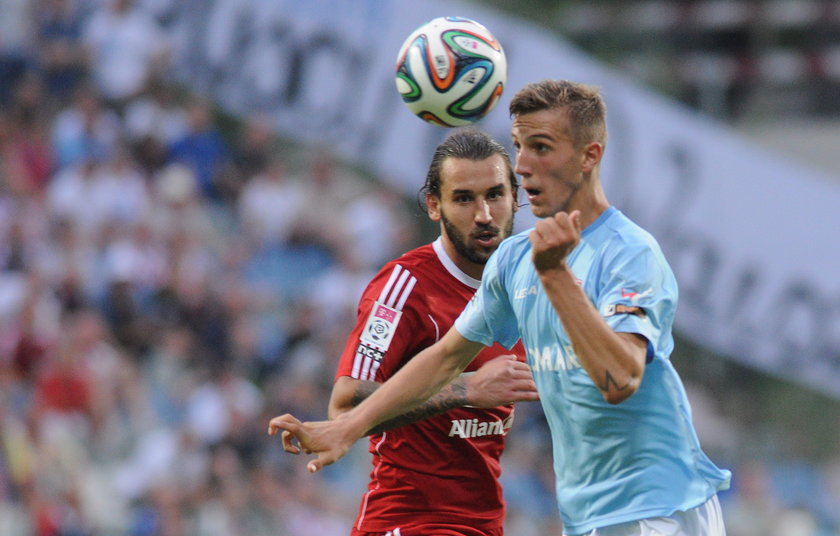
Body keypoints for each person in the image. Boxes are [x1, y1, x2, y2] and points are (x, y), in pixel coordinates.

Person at [269, 80, 731, 536]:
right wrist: (349, 428)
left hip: (658, 506)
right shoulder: (512, 262)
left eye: (541, 148)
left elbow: (621, 379)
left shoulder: (629, 254)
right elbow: (447, 357)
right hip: (583, 517)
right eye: (519, 147)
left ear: (590, 156)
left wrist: (555, 279)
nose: (524, 166)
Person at [274, 128, 539, 536]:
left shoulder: (526, 287)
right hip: (409, 521)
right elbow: (346, 402)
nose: (484, 214)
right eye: (464, 198)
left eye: (495, 195)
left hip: (483, 524)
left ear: (515, 198)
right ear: (434, 206)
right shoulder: (405, 287)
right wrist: (466, 388)